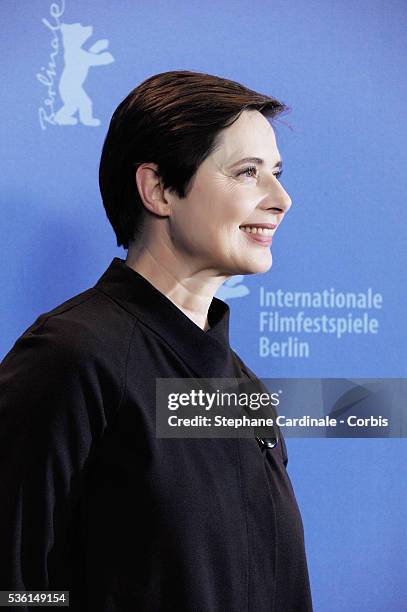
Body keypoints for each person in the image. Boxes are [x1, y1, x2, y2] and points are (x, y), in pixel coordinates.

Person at [0, 70, 313, 611]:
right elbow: (16, 586)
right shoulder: (73, 356)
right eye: (247, 173)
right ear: (159, 189)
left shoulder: (244, 392)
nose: (281, 198)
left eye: (277, 173)